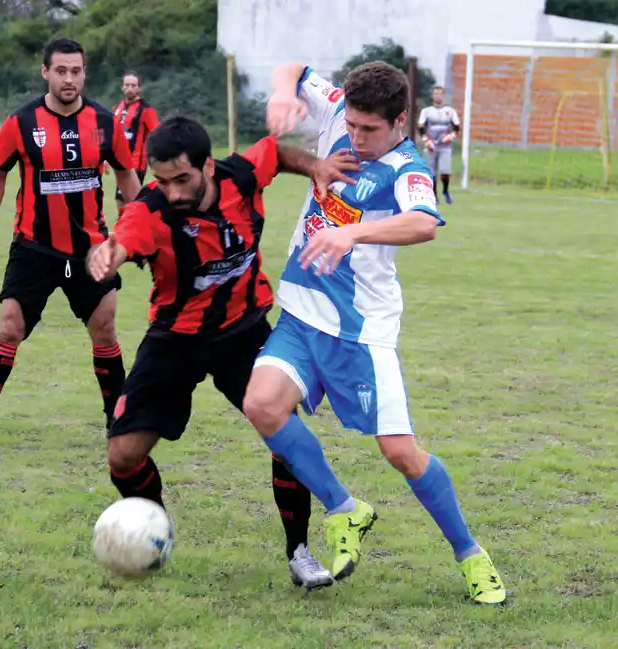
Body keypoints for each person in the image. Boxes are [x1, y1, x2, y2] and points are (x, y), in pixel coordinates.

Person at [242, 61, 506, 604]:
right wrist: (279, 94)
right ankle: (346, 509)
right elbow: (293, 68)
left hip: (360, 329)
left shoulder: (406, 168)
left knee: (402, 453)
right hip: (301, 311)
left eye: (370, 130)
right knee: (262, 405)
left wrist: (353, 232)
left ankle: (471, 556)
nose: (356, 138)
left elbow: (424, 223)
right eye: (353, 126)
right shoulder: (341, 108)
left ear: (401, 123)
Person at [87, 117, 358, 591]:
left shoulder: (241, 176)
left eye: (182, 179)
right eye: (162, 180)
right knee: (124, 456)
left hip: (245, 333)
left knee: (285, 433)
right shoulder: (153, 211)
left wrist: (314, 164)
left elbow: (275, 151)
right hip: (176, 339)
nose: (171, 191)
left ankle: (299, 550)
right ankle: (153, 533)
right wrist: (111, 252)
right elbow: (127, 234)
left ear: (208, 166)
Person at [0, 37, 141, 449]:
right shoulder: (20, 123)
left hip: (91, 249)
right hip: (34, 247)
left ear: (84, 73)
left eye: (76, 71)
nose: (69, 79)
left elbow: (128, 176)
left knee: (105, 329)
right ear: (45, 72)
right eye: (60, 70)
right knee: (10, 328)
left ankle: (119, 423)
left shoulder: (104, 122)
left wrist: (138, 229)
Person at [110, 72, 160, 213]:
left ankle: (130, 230)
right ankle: (127, 230)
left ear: (139, 88)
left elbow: (156, 133)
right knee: (122, 201)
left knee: (127, 201)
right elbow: (113, 133)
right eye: (127, 85)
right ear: (122, 87)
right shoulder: (118, 107)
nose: (130, 88)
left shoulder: (146, 109)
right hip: (119, 162)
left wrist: (154, 158)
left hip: (135, 164)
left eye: (133, 85)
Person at [418, 85, 461, 204]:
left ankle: (446, 191)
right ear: (432, 96)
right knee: (431, 172)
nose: (438, 96)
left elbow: (457, 128)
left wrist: (450, 136)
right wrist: (427, 141)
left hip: (445, 146)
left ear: (443, 96)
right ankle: (434, 195)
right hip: (431, 145)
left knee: (445, 171)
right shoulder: (426, 111)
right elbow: (420, 128)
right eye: (435, 94)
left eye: (440, 94)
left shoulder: (450, 111)